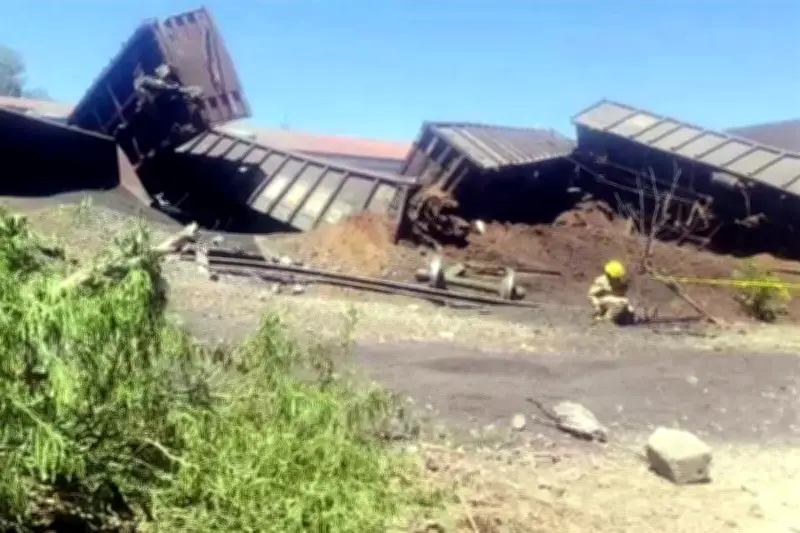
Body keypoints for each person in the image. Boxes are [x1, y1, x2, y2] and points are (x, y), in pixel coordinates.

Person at [588, 260, 635, 325]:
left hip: (616, 302)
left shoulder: (620, 282)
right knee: (619, 302)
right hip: (603, 302)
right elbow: (592, 295)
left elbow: (621, 295)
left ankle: (623, 322)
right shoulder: (601, 281)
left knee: (630, 310)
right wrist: (597, 307)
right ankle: (605, 319)